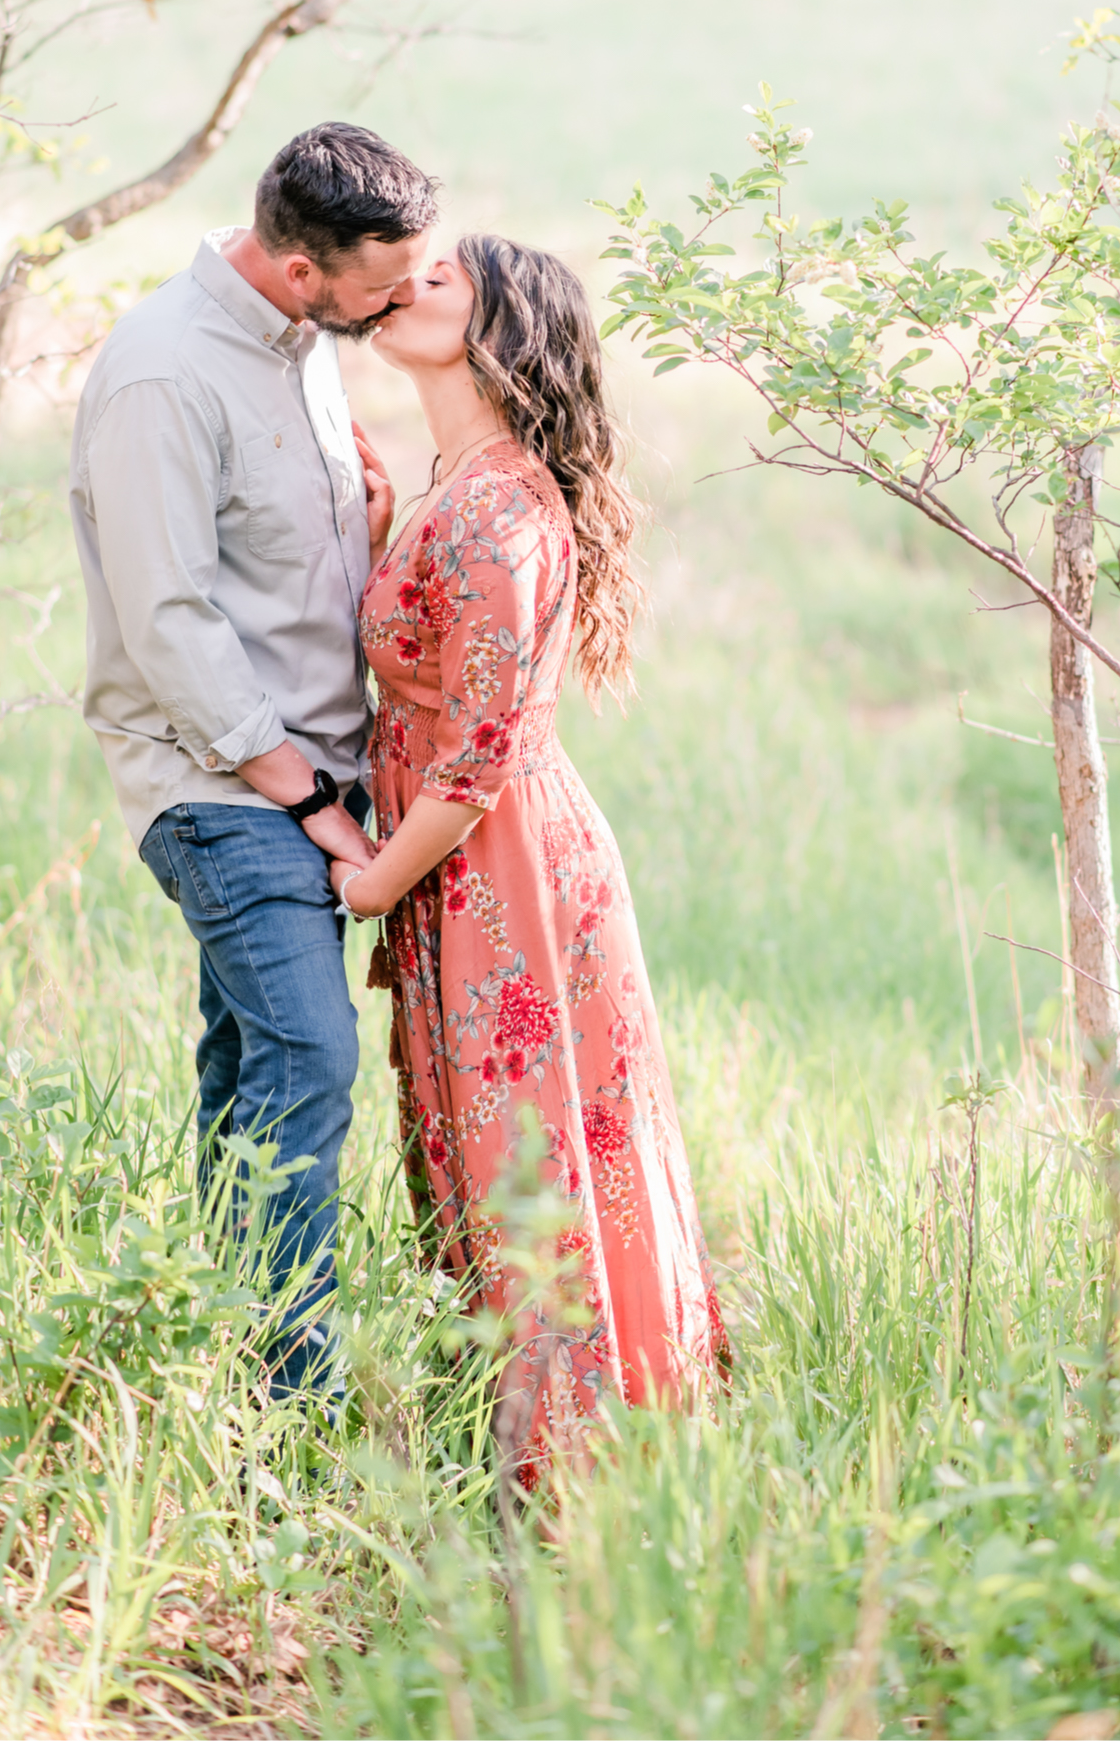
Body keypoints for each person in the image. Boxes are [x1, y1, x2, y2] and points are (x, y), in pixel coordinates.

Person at [334, 234, 729, 1488]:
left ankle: (575, 1457)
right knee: (491, 1138)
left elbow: (479, 755)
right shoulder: (460, 483)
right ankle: (514, 1439)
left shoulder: (501, 507)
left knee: (532, 1143)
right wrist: (384, 536)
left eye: (440, 278)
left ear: (498, 331)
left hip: (502, 866)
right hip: (464, 862)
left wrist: (369, 880)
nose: (406, 285)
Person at [69, 122, 435, 1396]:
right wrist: (315, 800)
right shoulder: (164, 375)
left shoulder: (307, 345)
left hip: (308, 772)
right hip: (218, 783)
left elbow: (279, 571)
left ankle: (216, 1360)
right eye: (381, 286)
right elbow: (171, 622)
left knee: (248, 1066)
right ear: (299, 268)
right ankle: (291, 1392)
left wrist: (371, 528)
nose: (399, 305)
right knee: (313, 1054)